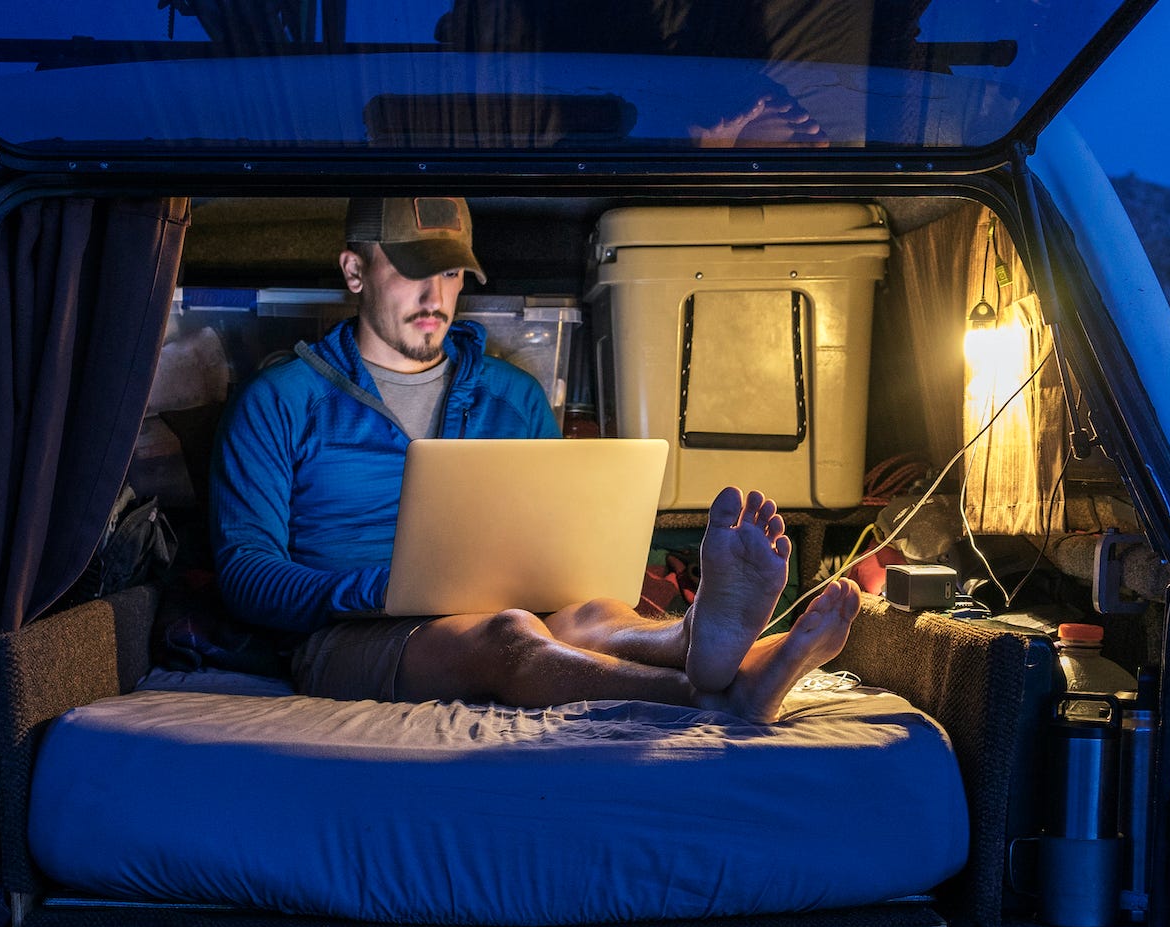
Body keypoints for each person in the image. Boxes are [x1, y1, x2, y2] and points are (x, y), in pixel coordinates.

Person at [207, 195, 860, 723]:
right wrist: (380, 589)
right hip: (350, 636)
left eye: (451, 272)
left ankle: (691, 639)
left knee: (591, 614)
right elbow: (245, 573)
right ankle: (710, 693)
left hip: (518, 601)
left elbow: (552, 547)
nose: (435, 294)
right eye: (411, 269)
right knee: (508, 634)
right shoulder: (279, 400)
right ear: (355, 271)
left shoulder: (511, 393)